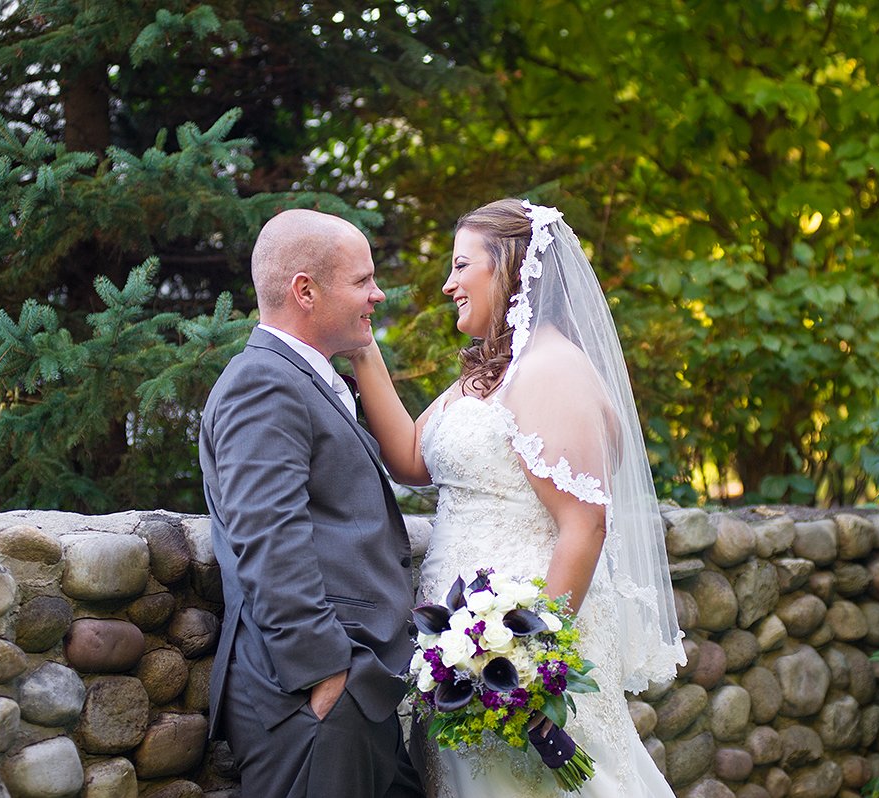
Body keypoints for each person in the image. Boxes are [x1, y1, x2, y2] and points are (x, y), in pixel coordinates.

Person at [348, 198, 687, 797]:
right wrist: (361, 344)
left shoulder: (552, 369)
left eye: (460, 265)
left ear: (508, 265)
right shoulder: (487, 376)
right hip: (456, 650)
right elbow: (409, 458)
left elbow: (585, 527)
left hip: (512, 649)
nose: (448, 283)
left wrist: (527, 666)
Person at [199, 209, 424, 798]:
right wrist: (327, 673)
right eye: (361, 281)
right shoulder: (262, 382)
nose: (377, 295)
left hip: (352, 693)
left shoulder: (304, 376)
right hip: (308, 698)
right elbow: (268, 538)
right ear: (305, 290)